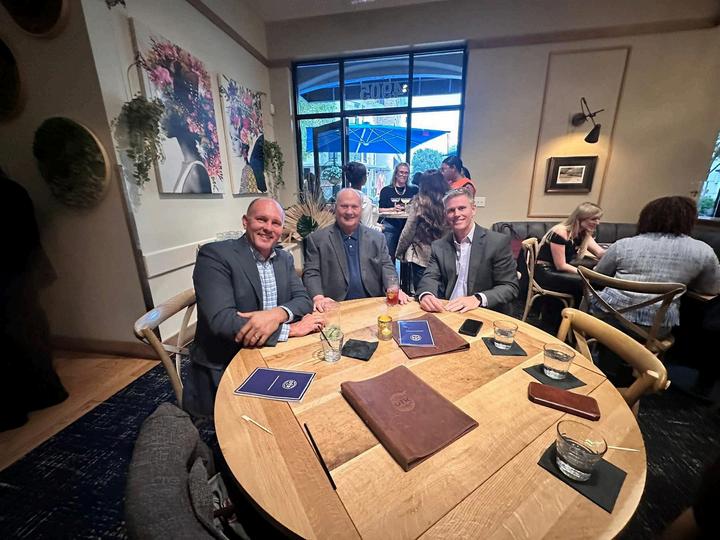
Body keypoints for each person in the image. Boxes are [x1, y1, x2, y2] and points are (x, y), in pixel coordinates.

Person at [184, 198, 320, 417]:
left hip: (273, 356)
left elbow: (303, 300)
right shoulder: (214, 255)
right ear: (245, 221)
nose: (268, 228)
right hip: (227, 365)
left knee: (315, 400)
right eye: (261, 219)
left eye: (275, 223)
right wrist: (290, 330)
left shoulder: (284, 258)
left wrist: (276, 314)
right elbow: (222, 321)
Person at [1, 168, 68, 431]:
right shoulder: (14, 191)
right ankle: (45, 391)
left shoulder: (11, 192)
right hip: (22, 274)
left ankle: (14, 407)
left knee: (16, 336)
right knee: (28, 329)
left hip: (13, 276)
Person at [593, 196, 720, 332]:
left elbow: (597, 275)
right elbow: (712, 289)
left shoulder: (623, 245)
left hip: (605, 317)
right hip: (653, 328)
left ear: (646, 218)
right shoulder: (703, 251)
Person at [303, 188, 409, 311]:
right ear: (335, 208)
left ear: (361, 210)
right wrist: (318, 297)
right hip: (334, 306)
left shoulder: (377, 238)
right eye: (344, 206)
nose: (349, 211)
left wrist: (394, 288)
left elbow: (387, 266)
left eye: (354, 207)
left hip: (373, 303)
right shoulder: (317, 239)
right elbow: (312, 272)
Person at [416, 188, 519, 313]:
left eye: (462, 208)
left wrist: (478, 298)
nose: (456, 214)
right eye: (451, 210)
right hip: (448, 309)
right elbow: (430, 277)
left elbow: (509, 286)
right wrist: (426, 295)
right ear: (445, 214)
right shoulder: (439, 246)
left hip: (481, 310)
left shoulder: (496, 242)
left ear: (473, 209)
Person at [535, 202, 606, 310]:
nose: (598, 222)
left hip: (558, 269)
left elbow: (600, 253)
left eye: (598, 219)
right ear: (581, 218)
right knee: (590, 282)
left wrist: (617, 252)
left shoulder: (584, 233)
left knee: (598, 280)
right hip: (546, 270)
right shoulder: (561, 232)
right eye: (594, 219)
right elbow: (561, 265)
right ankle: (581, 313)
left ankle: (588, 312)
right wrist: (586, 274)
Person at [396, 170, 449, 291]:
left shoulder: (419, 202)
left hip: (421, 256)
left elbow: (408, 230)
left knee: (423, 293)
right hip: (443, 255)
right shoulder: (448, 202)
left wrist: (399, 252)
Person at [378, 162, 418, 262]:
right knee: (388, 257)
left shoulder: (414, 190)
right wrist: (392, 209)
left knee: (408, 258)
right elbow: (380, 209)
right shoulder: (386, 190)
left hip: (408, 226)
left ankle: (406, 272)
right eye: (401, 172)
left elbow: (418, 207)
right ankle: (390, 271)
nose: (403, 175)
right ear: (396, 173)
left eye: (406, 173)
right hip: (390, 225)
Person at [345, 161, 379, 230]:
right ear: (364, 178)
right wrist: (381, 228)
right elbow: (367, 229)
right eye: (366, 174)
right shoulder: (364, 200)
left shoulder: (342, 196)